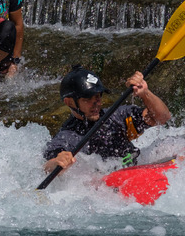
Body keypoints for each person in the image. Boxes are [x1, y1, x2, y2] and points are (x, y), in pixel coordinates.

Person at [43, 65, 171, 175]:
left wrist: (145, 93)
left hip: (137, 169)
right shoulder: (67, 137)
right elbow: (47, 168)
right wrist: (57, 163)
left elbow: (162, 117)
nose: (96, 103)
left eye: (98, 97)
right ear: (70, 102)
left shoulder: (118, 116)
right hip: (108, 190)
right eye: (88, 99)